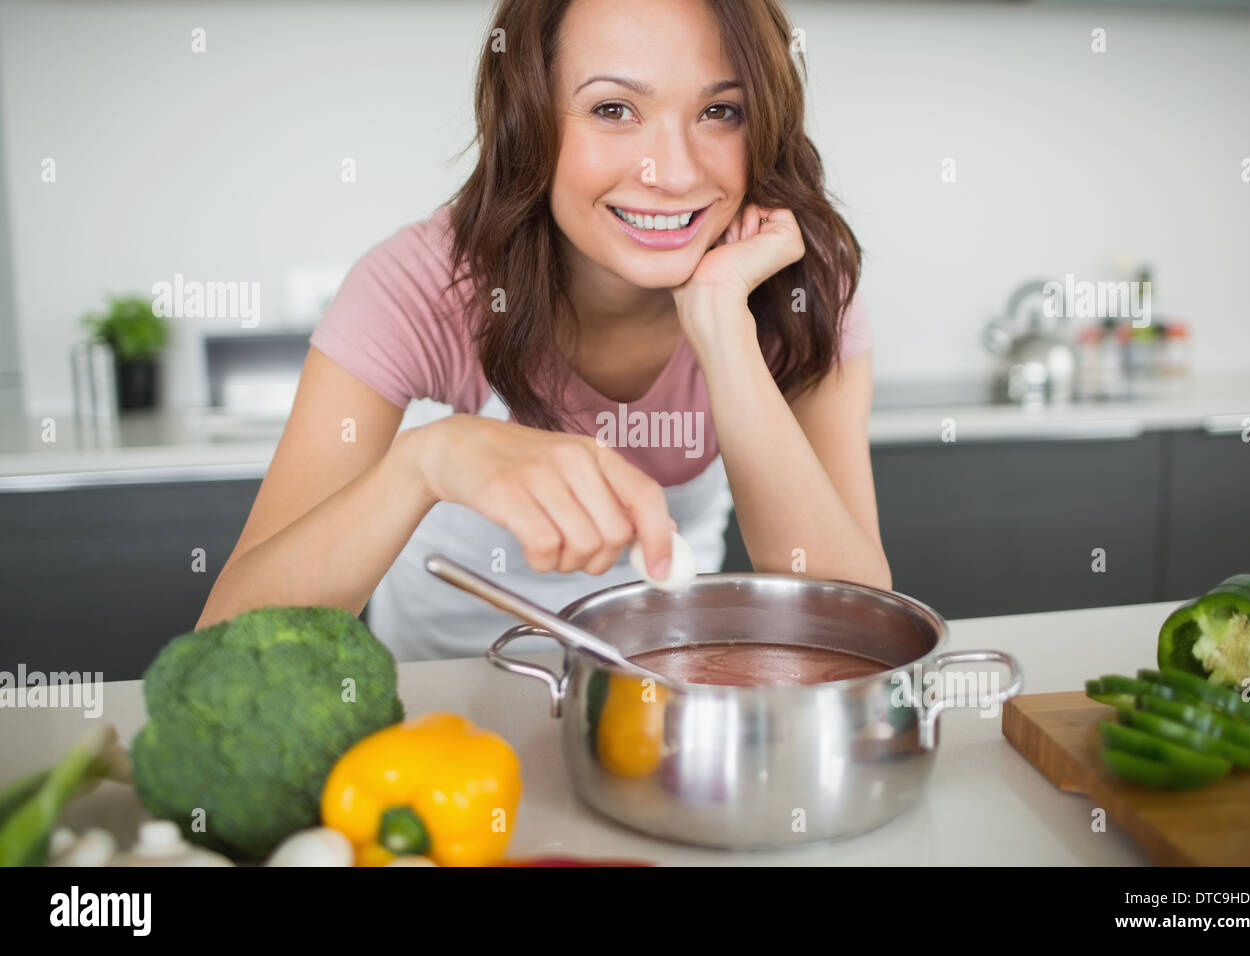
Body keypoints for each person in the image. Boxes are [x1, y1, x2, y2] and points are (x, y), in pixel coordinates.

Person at [197, 0, 891, 660]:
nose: (674, 173)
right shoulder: (419, 286)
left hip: (652, 689)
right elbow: (226, 650)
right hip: (447, 708)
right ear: (529, 122)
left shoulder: (799, 281)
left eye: (720, 111)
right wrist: (427, 462)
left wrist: (721, 325)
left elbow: (857, 625)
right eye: (613, 109)